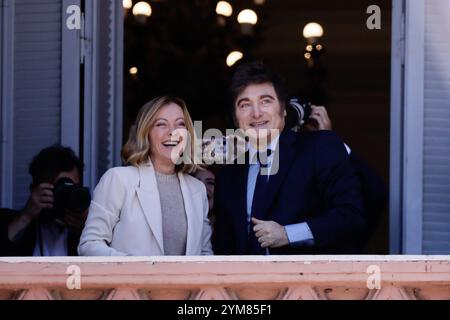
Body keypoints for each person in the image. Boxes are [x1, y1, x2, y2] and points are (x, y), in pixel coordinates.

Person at [213, 61, 366, 255]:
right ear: (236, 118)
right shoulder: (228, 176)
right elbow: (224, 249)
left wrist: (288, 234)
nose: (256, 113)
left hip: (309, 282)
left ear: (284, 110)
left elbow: (351, 216)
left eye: (265, 101)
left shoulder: (319, 147)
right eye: (245, 105)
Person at [78, 96, 213, 256]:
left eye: (180, 124)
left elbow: (205, 255)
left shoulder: (197, 189)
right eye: (161, 124)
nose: (173, 132)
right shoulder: (118, 179)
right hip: (130, 281)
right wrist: (136, 270)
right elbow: (89, 244)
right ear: (146, 132)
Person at [0, 145, 88, 256]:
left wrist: (86, 229)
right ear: (34, 190)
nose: (65, 194)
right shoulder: (9, 221)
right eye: (59, 188)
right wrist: (25, 217)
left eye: (71, 187)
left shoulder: (83, 229)